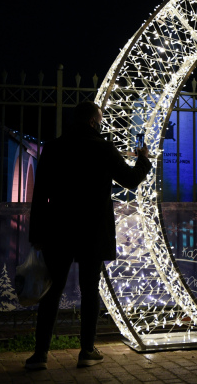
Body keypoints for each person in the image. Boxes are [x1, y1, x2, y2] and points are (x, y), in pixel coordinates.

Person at [25, 102, 151, 370]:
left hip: (58, 229)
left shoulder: (54, 147)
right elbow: (130, 179)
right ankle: (86, 350)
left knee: (51, 291)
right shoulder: (102, 147)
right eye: (101, 120)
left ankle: (40, 355)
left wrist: (37, 233)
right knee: (90, 291)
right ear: (94, 121)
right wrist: (144, 159)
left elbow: (40, 194)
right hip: (92, 231)